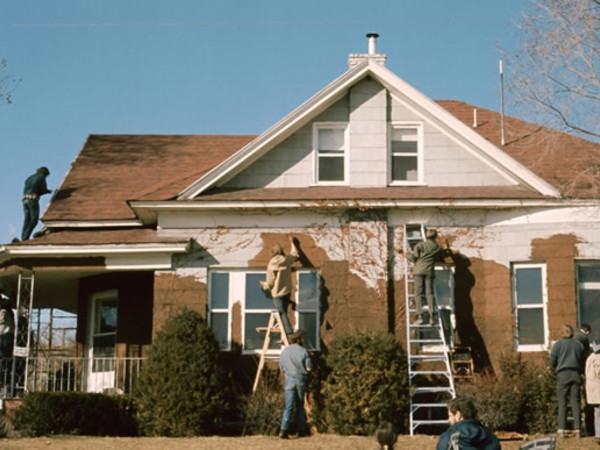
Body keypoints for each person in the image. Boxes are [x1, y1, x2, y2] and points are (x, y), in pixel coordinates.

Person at [405, 228, 451, 325]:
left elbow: (414, 258)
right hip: (429, 272)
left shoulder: (420, 245)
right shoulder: (436, 247)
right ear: (435, 236)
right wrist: (446, 248)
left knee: (418, 293)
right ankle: (432, 316)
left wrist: (406, 254)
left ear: (426, 236)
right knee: (429, 293)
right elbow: (445, 255)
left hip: (418, 271)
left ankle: (420, 315)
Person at [551, 324, 586, 438]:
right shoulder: (579, 345)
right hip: (576, 373)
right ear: (572, 333)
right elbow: (583, 360)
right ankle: (578, 429)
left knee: (562, 402)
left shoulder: (557, 345)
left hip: (562, 373)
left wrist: (556, 367)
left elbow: (553, 361)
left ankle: (561, 429)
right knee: (576, 402)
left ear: (562, 333)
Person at [260, 236, 299, 336]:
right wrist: (292, 242)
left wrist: (264, 285)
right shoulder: (287, 260)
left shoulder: (272, 264)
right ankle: (284, 336)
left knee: (282, 314)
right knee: (284, 313)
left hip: (277, 294)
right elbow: (295, 254)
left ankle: (289, 335)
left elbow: (270, 282)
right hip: (287, 292)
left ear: (272, 252)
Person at [278, 331, 312, 439]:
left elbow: (282, 369)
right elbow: (309, 368)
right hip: (301, 380)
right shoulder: (304, 351)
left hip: (289, 380)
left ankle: (283, 431)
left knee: (288, 407)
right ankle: (301, 431)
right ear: (299, 340)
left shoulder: (284, 352)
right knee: (300, 407)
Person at [436, 396, 500, 450]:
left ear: (458, 415)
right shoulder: (491, 438)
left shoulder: (446, 438)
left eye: (449, 416)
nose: (448, 420)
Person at [20, 166, 52, 241]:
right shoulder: (41, 177)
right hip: (32, 199)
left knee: (27, 219)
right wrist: (49, 191)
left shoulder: (29, 178)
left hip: (24, 199)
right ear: (46, 173)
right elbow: (43, 189)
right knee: (34, 219)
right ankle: (25, 237)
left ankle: (23, 237)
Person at [586, 338, 600, 446]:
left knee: (597, 412)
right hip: (597, 386)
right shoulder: (596, 358)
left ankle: (598, 434)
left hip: (593, 388)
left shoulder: (590, 358)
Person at [0, 294, 15, 384]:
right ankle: (4, 376)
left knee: (4, 357)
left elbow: (2, 319)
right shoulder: (6, 312)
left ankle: (3, 377)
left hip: (6, 336)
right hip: (6, 336)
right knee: (4, 358)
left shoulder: (3, 312)